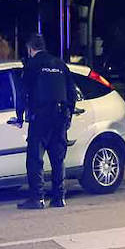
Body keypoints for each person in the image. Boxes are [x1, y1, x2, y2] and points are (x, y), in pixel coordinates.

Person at [14, 34, 76, 209]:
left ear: (30, 48)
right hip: (60, 116)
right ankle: (59, 197)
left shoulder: (32, 65)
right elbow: (71, 92)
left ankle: (37, 198)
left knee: (35, 158)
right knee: (58, 159)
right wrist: (69, 114)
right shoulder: (60, 64)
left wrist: (19, 116)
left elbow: (22, 92)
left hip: (41, 116)